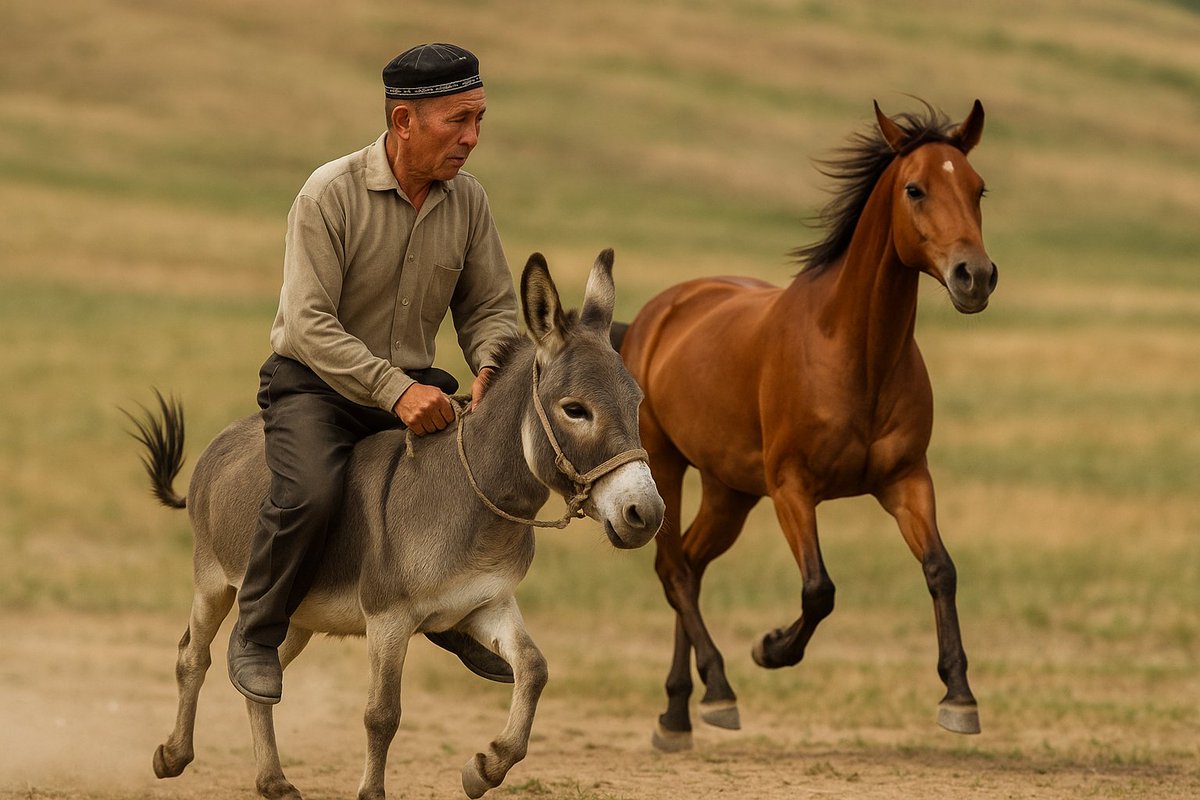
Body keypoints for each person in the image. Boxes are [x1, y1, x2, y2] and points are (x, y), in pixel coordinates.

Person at [227, 43, 520, 705]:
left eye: (479, 119)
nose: (472, 137)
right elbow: (308, 324)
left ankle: (443, 612)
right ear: (403, 121)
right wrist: (397, 390)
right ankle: (256, 629)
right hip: (315, 384)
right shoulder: (327, 194)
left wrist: (492, 364)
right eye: (457, 121)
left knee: (478, 477)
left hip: (417, 387)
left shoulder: (468, 203)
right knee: (311, 492)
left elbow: (492, 307)